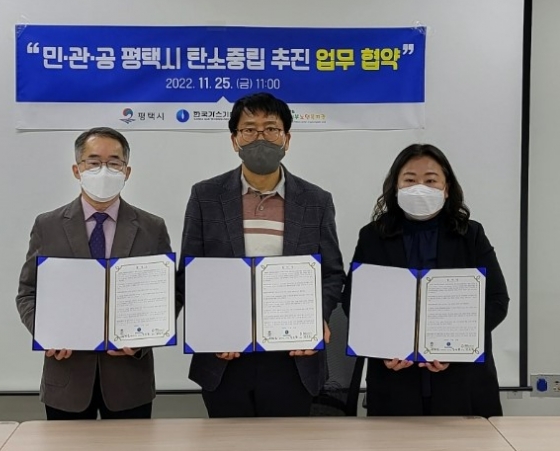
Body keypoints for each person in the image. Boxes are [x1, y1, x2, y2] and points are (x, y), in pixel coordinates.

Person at [177, 92, 345, 418]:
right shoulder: (205, 196)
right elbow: (190, 273)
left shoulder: (316, 200)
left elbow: (332, 273)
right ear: (234, 140)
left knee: (285, 440)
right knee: (228, 440)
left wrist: (317, 318)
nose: (260, 138)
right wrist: (210, 329)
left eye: (271, 129)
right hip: (225, 355)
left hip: (292, 355)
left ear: (287, 139)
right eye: (249, 129)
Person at [16, 127, 174, 420]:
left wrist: (143, 341)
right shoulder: (48, 225)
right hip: (67, 379)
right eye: (93, 162)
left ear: (127, 171)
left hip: (129, 381)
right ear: (77, 169)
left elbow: (167, 295)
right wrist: (46, 334)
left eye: (114, 162)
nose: (104, 170)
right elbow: (28, 292)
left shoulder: (152, 228)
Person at [343, 143, 509, 417]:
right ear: (396, 186)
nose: (420, 188)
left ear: (446, 188)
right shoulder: (373, 236)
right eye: (410, 180)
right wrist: (383, 349)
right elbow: (353, 301)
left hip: (463, 381)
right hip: (394, 379)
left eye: (430, 180)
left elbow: (497, 301)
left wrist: (456, 347)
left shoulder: (470, 235)